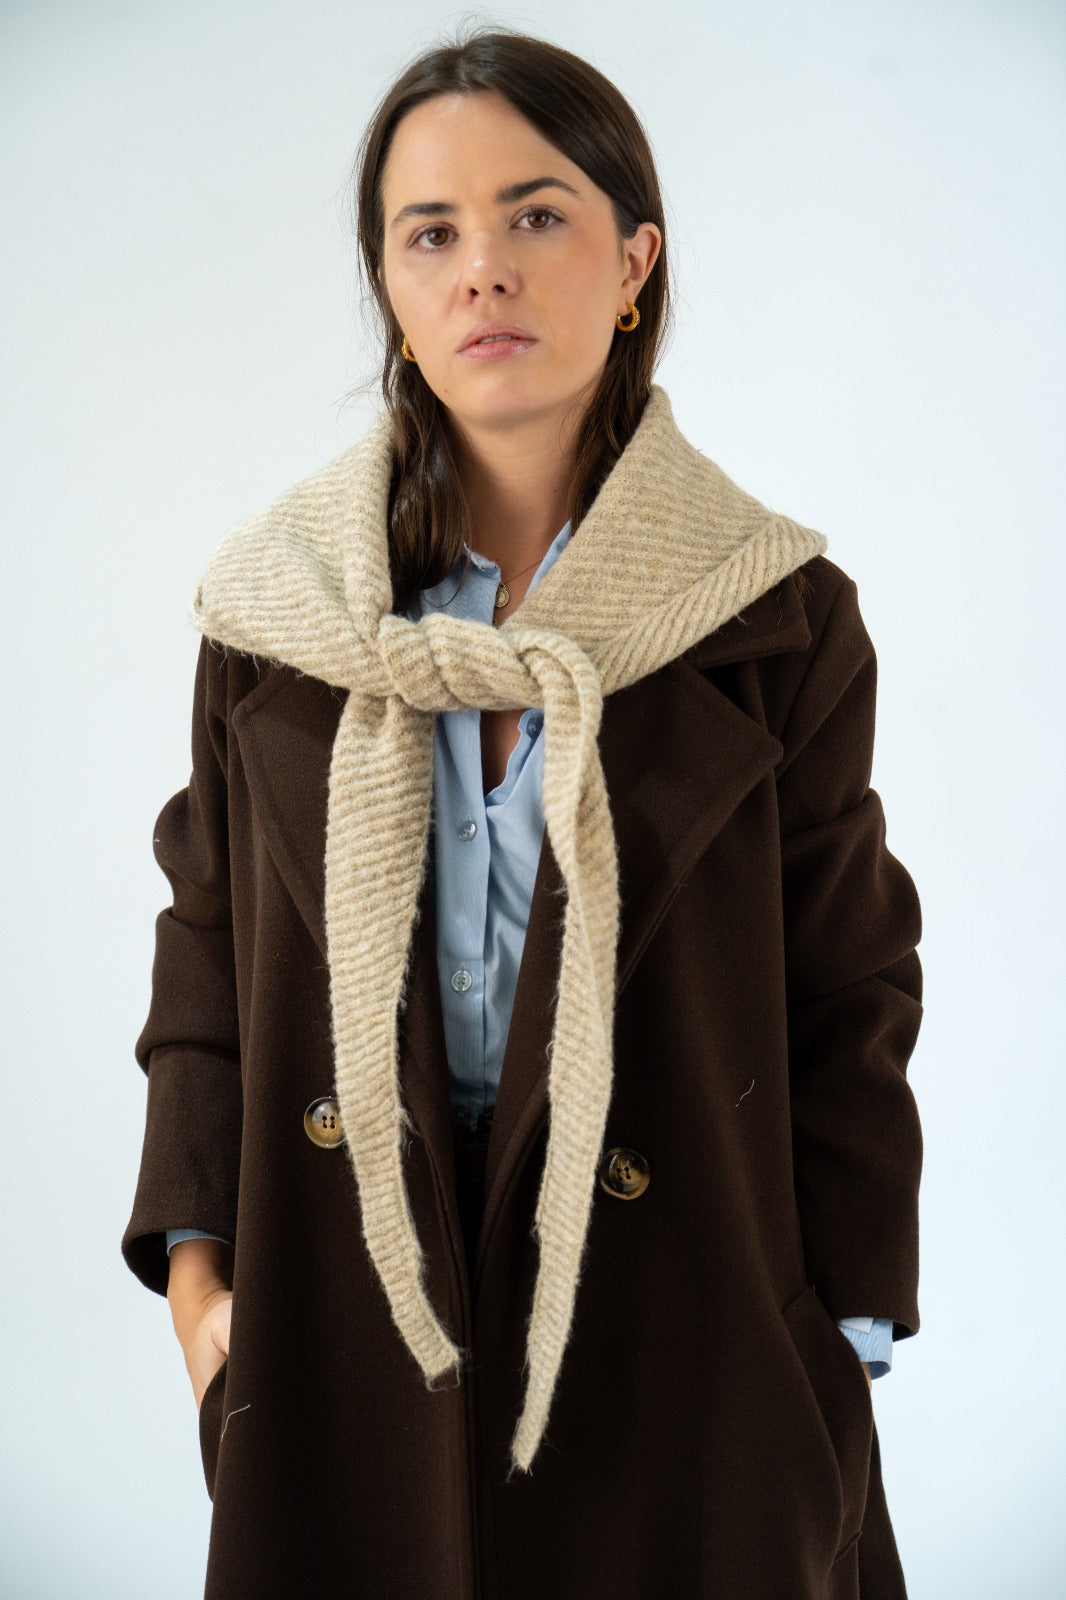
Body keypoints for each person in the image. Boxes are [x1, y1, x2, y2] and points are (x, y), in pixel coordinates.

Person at [122, 27, 923, 1600]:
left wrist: (832, 1354)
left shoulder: (776, 618)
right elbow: (202, 956)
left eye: (535, 214)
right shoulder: (275, 621)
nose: (481, 266)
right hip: (346, 1331)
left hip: (696, 1355)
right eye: (429, 233)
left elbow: (851, 991)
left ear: (632, 263)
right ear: (390, 288)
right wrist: (202, 1299)